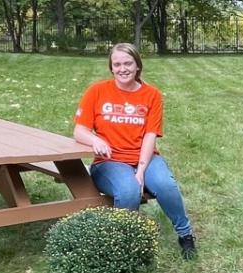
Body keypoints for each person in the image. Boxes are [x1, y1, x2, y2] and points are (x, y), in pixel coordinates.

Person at [73, 43, 197, 259]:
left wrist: (140, 171)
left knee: (166, 185)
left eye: (128, 63)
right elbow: (79, 130)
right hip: (109, 162)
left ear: (137, 66)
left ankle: (185, 234)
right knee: (129, 191)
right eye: (117, 64)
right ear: (111, 67)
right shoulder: (97, 91)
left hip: (144, 158)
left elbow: (150, 135)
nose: (123, 69)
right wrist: (95, 139)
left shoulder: (152, 95)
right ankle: (123, 244)